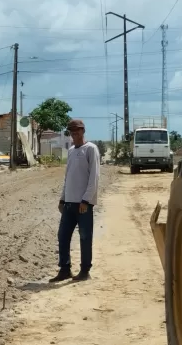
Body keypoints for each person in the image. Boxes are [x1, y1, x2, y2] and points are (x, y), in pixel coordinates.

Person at [50, 119, 100, 282]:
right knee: (62, 236)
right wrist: (62, 199)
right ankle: (65, 269)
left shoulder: (91, 149)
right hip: (69, 204)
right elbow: (68, 178)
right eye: (72, 132)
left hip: (83, 204)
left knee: (85, 237)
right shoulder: (71, 151)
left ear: (83, 131)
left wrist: (86, 200)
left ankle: (85, 270)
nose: (75, 134)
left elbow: (94, 177)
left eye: (77, 131)